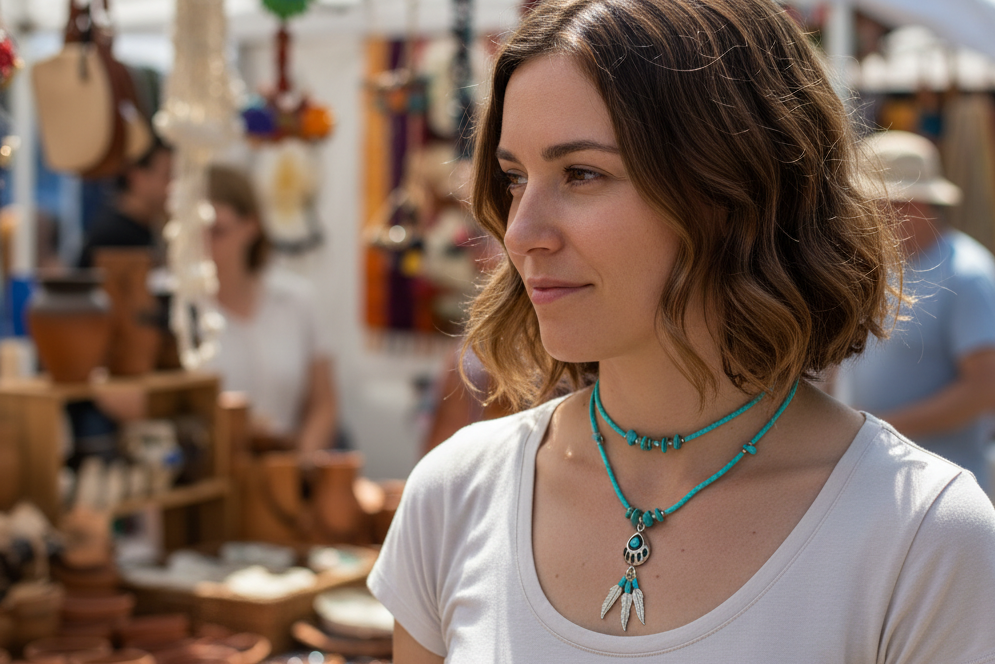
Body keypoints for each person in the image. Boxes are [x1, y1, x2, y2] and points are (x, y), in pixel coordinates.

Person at [366, 1, 995, 662]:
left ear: (735, 189)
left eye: (581, 174)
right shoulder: (455, 494)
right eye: (514, 178)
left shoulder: (921, 538)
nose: (519, 233)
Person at [835, 130, 995, 493]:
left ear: (910, 204)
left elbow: (986, 388)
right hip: (882, 479)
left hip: (942, 491)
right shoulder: (881, 268)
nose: (860, 218)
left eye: (871, 205)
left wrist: (877, 429)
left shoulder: (967, 276)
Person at [202, 164, 338, 465]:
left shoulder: (296, 299)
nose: (204, 245)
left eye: (217, 231)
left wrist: (299, 467)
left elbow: (323, 403)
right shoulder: (174, 305)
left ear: (251, 226)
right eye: (194, 233)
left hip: (282, 473)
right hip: (206, 477)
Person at [77, 138, 173, 268]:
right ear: (136, 176)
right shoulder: (115, 237)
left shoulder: (144, 226)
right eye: (167, 175)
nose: (173, 186)